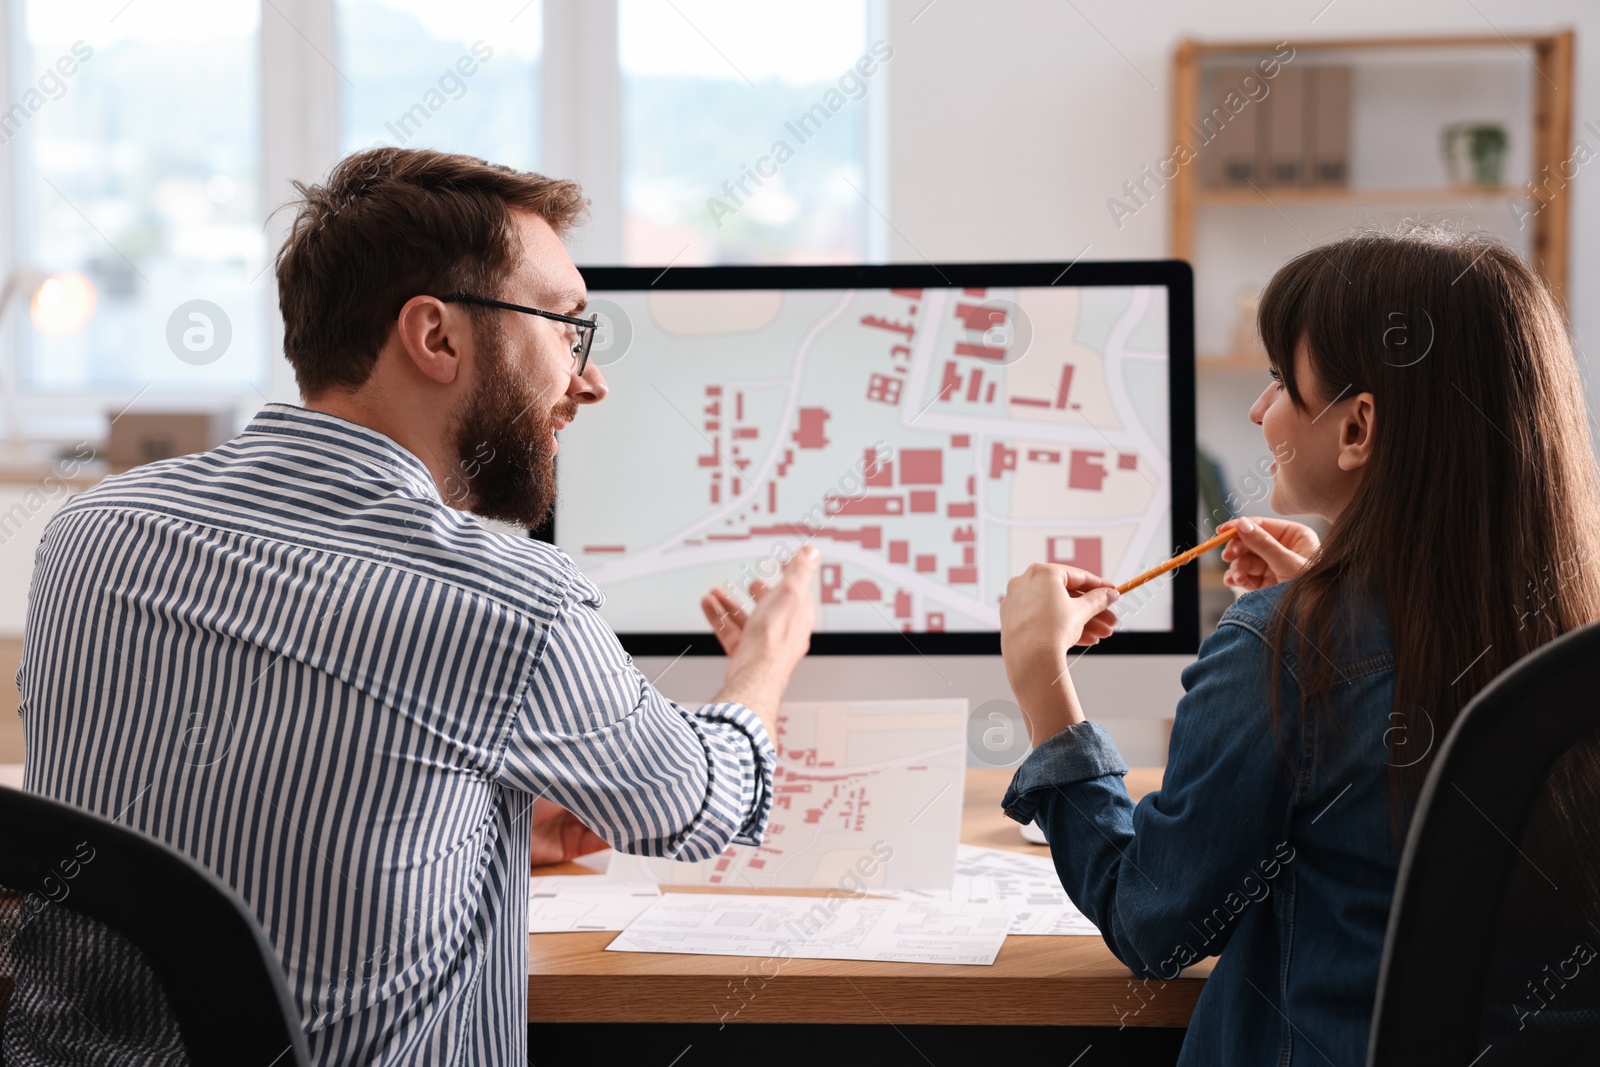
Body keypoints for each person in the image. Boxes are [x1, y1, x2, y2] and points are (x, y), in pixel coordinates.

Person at [13, 148, 818, 1066]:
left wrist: (474, 819)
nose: (589, 381)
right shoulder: (513, 602)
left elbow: (225, 804)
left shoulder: (89, 536)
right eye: (565, 328)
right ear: (435, 337)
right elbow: (701, 805)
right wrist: (767, 656)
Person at [996, 228, 1600, 1065]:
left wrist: (1042, 688)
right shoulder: (1568, 636)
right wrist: (1327, 599)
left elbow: (1152, 921)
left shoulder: (1282, 648)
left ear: (1357, 429)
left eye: (1281, 378)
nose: (1258, 408)